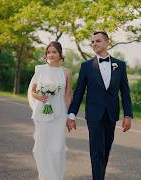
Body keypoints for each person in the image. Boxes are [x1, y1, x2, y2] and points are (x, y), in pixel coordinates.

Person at [66, 31, 133, 180]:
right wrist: (71, 115)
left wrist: (128, 115)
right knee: (96, 152)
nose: (94, 44)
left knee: (105, 151)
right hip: (94, 115)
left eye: (98, 41)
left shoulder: (120, 65)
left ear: (107, 42)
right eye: (92, 42)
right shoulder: (86, 66)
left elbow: (125, 92)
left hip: (111, 114)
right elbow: (78, 93)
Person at [28, 41, 72, 180]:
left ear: (60, 54)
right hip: (42, 115)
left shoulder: (66, 72)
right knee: (43, 147)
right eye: (48, 52)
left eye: (54, 52)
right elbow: (32, 91)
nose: (51, 54)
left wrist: (68, 115)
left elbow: (67, 94)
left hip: (59, 115)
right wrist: (39, 97)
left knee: (57, 149)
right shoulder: (40, 69)